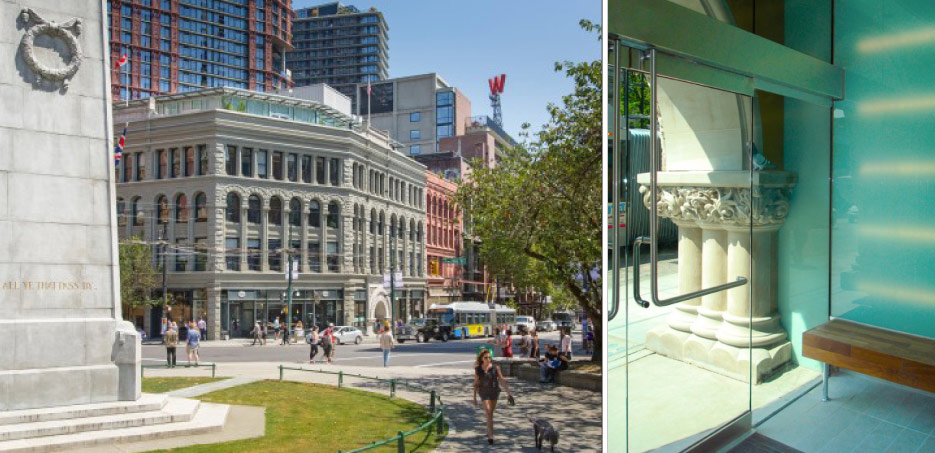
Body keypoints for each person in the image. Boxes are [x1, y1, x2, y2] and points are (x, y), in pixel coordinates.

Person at [473, 348, 512, 445]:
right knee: (488, 411)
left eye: (489, 357)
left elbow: (502, 380)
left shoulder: (495, 368)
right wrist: (474, 397)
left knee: (490, 413)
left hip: (494, 391)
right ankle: (491, 436)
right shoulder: (478, 369)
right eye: (486, 357)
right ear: (482, 358)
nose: (488, 359)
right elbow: (476, 383)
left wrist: (509, 393)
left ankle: (488, 428)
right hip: (483, 392)